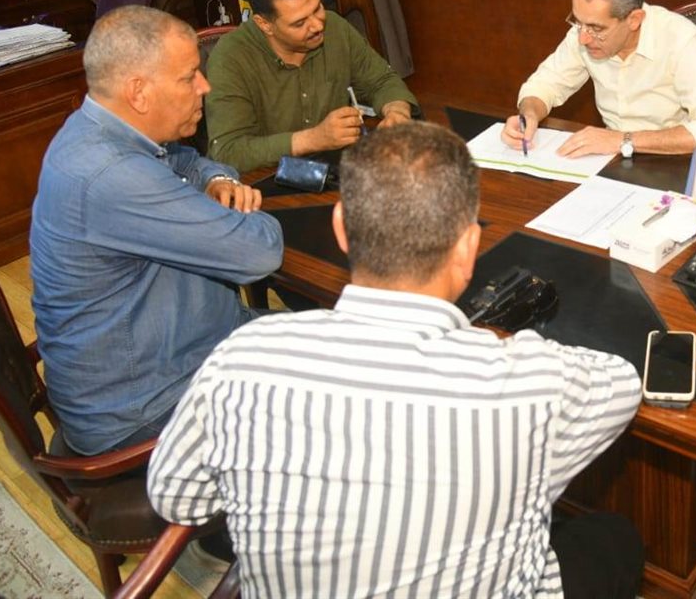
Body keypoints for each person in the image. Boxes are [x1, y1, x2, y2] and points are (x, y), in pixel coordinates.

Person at [148, 122, 645, 599]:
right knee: (613, 539)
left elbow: (176, 497)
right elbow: (623, 382)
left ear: (341, 228)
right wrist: (511, 348)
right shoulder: (529, 383)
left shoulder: (241, 358)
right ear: (469, 247)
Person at [30, 6, 284, 456]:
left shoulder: (97, 128)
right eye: (189, 77)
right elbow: (260, 252)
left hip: (182, 347)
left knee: (340, 342)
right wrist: (241, 214)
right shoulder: (111, 174)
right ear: (139, 93)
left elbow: (187, 160)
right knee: (343, 388)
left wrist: (217, 180)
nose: (204, 86)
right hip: (146, 404)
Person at [502, 0, 696, 158]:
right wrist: (528, 115)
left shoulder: (680, 40)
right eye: (578, 22)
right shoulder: (584, 33)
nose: (583, 38)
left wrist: (623, 140)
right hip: (610, 159)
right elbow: (544, 85)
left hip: (673, 160)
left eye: (596, 28)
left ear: (634, 20)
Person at [205, 0, 420, 172]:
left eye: (317, 8)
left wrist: (397, 112)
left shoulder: (335, 28)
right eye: (300, 23)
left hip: (331, 169)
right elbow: (229, 151)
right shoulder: (230, 58)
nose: (317, 25)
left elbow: (382, 81)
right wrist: (314, 139)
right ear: (265, 24)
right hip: (262, 179)